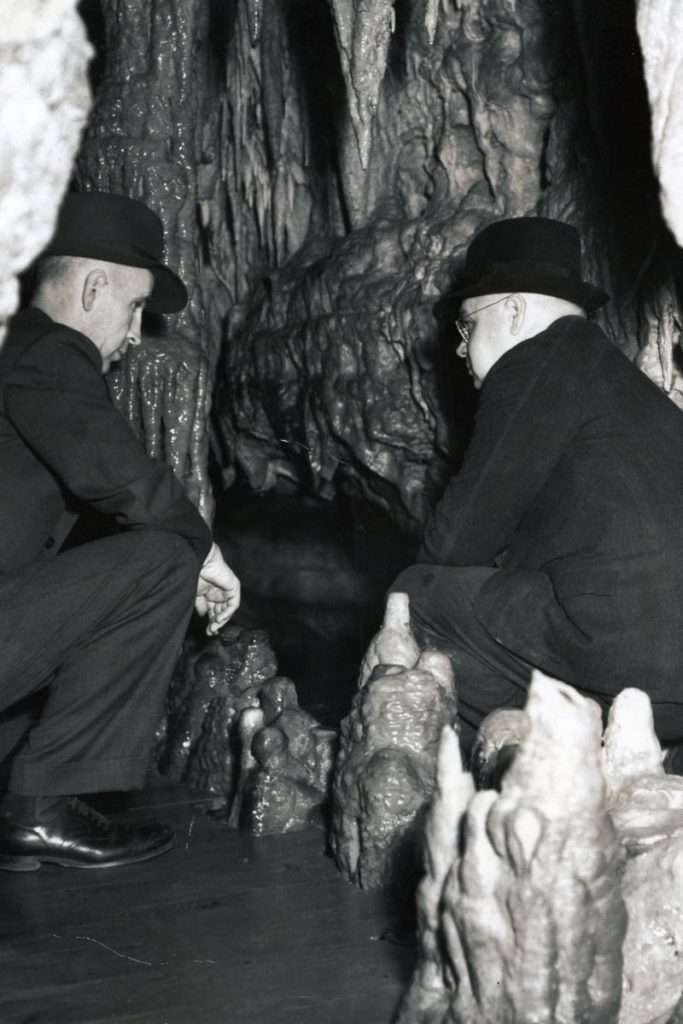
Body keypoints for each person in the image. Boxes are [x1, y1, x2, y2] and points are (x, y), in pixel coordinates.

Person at [0, 191, 240, 870]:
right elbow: (119, 477)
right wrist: (206, 553)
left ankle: (20, 800)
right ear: (94, 287)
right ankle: (42, 810)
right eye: (134, 308)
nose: (135, 334)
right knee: (162, 558)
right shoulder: (42, 349)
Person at [391, 216, 683, 759]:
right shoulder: (627, 384)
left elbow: (455, 543)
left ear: (514, 311)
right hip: (676, 684)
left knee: (417, 596)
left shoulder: (533, 363)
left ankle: (515, 769)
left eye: (465, 327)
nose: (459, 350)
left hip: (624, 665)